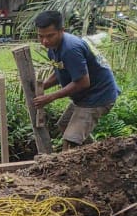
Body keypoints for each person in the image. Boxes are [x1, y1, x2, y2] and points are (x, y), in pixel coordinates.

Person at [32, 11, 121, 148]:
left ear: (62, 31)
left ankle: (87, 161)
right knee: (65, 125)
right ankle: (97, 154)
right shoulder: (53, 47)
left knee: (71, 141)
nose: (45, 41)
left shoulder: (70, 49)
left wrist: (50, 97)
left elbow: (83, 82)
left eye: (50, 36)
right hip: (85, 96)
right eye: (41, 36)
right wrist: (42, 86)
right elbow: (60, 71)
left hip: (98, 96)